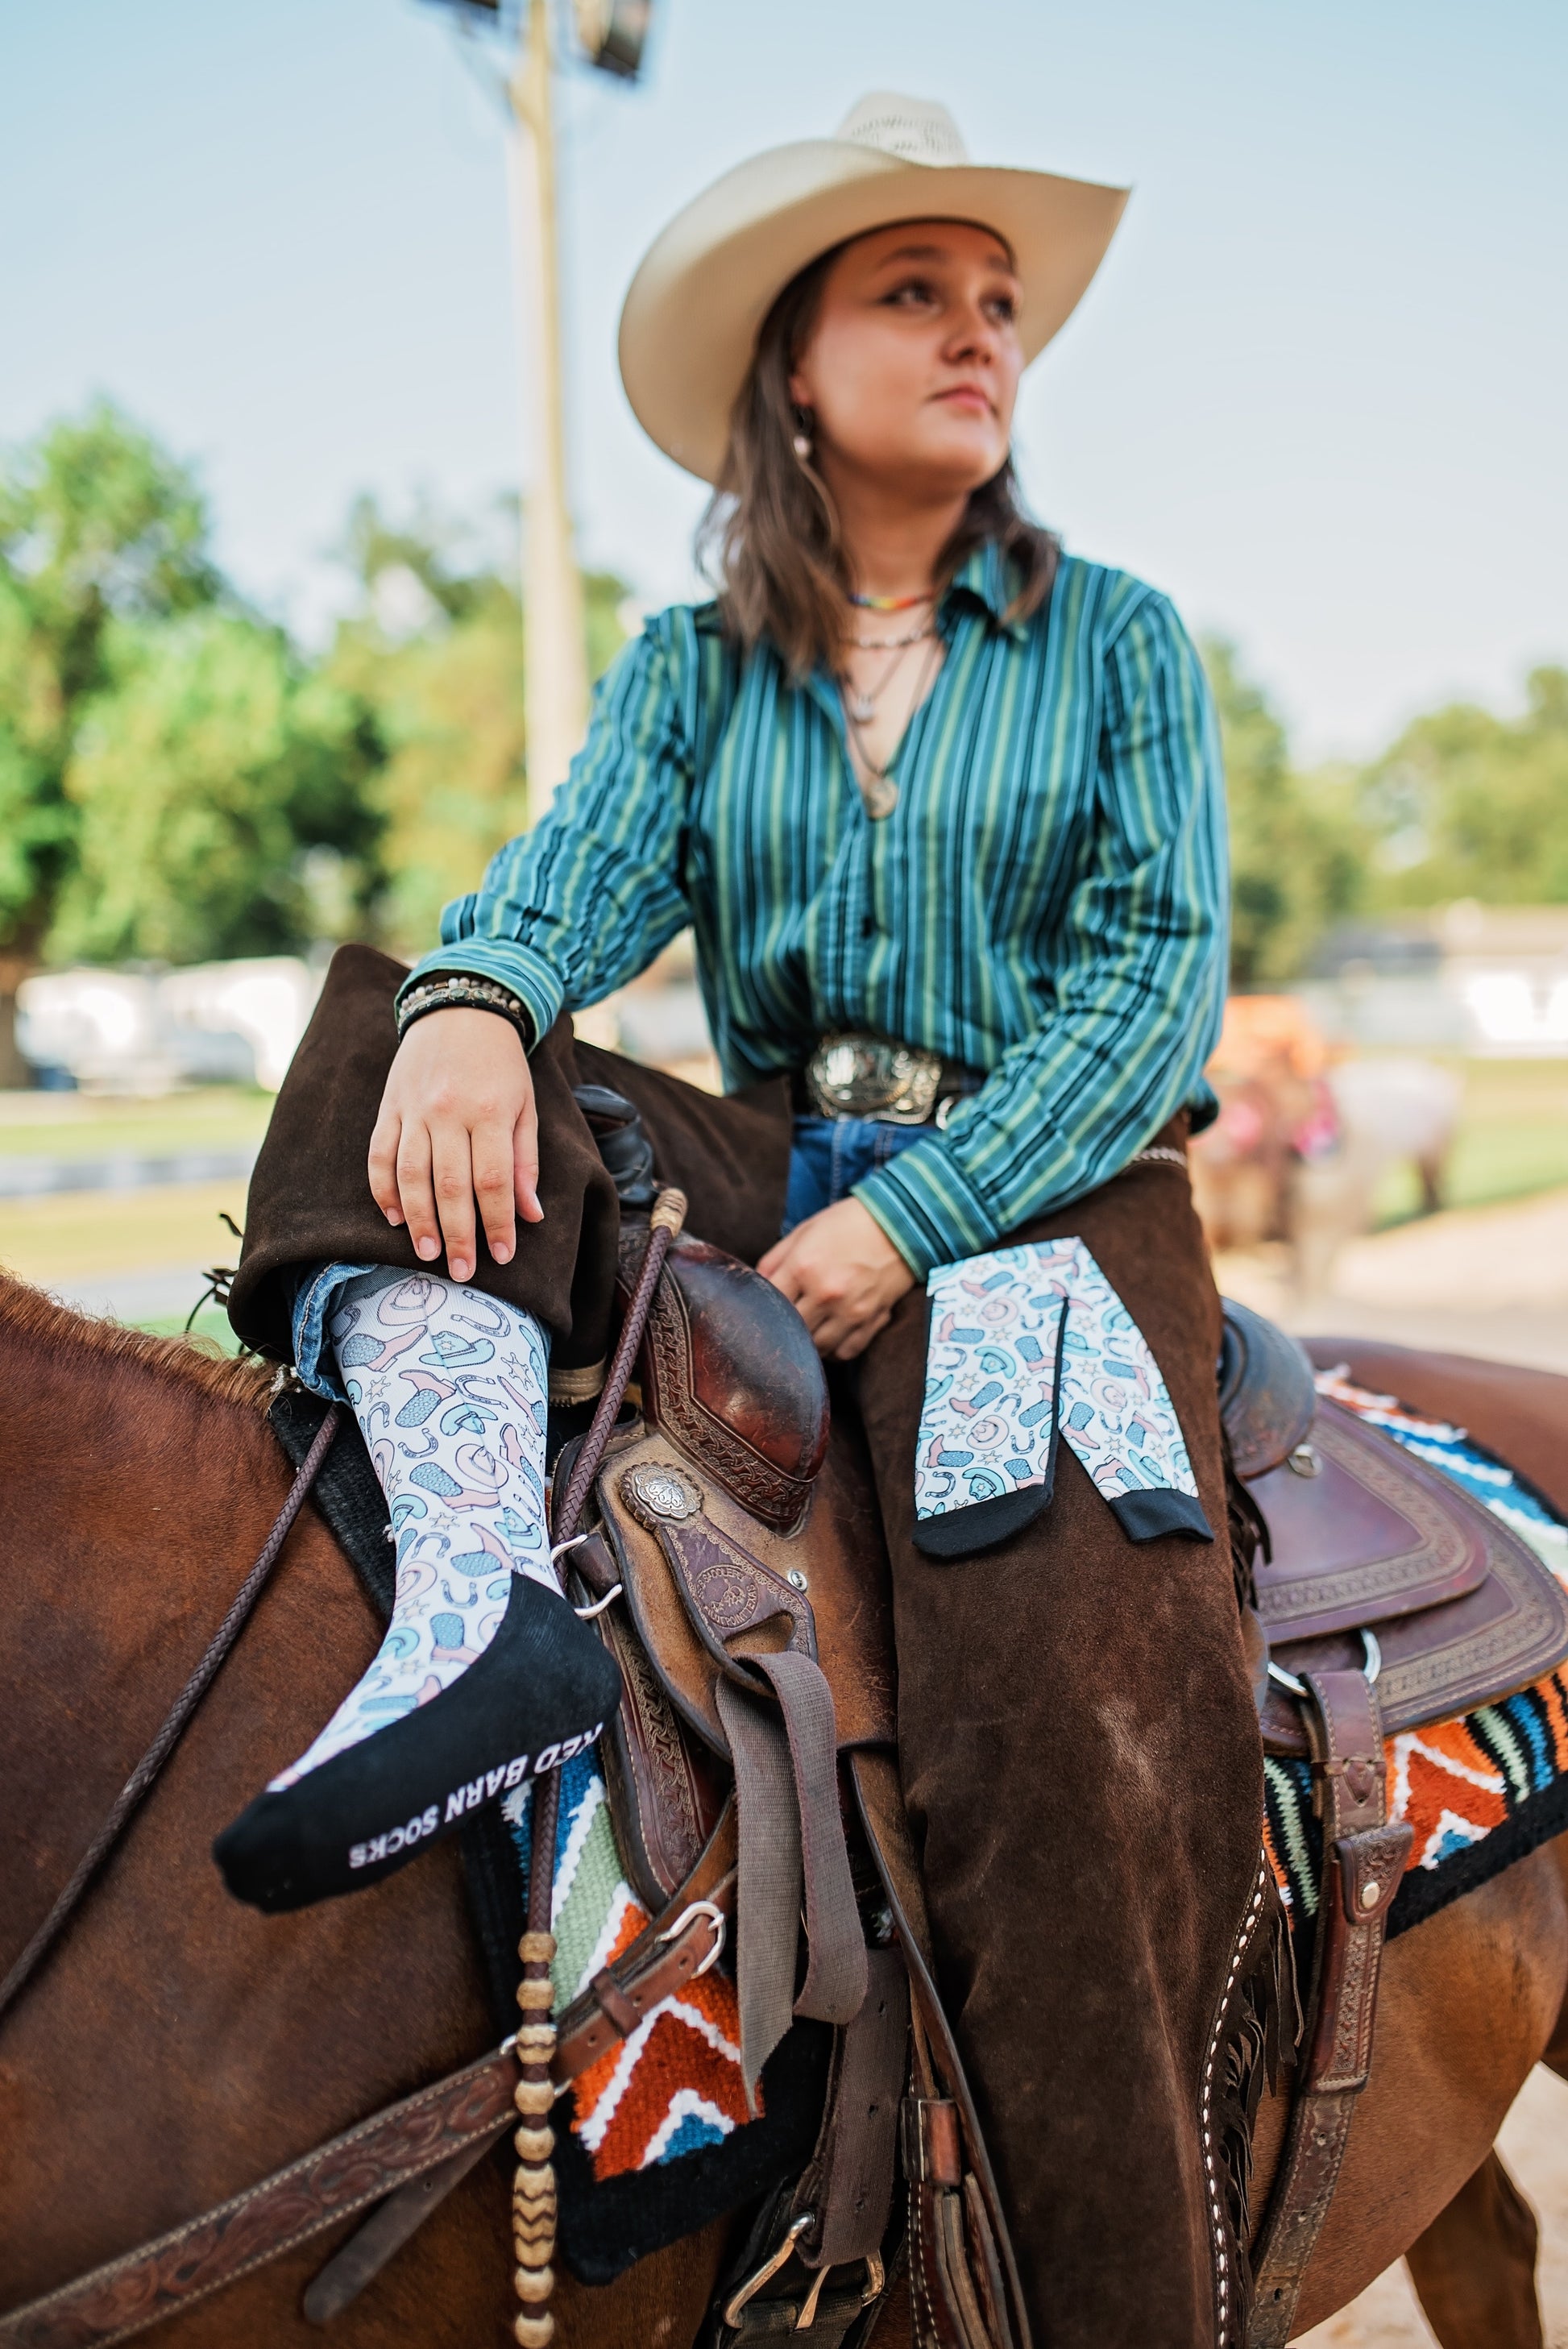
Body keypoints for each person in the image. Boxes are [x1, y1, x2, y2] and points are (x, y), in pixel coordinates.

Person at [224, 93, 1271, 2348]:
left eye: (999, 303)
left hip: (1051, 1191)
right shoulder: (696, 668)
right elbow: (572, 881)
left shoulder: (1110, 638)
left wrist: (918, 1224)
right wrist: (480, 1005)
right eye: (916, 292)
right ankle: (478, 1609)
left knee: (1050, 1717)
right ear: (793, 364)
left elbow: (1146, 992)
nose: (981, 335)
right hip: (782, 1150)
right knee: (378, 1019)